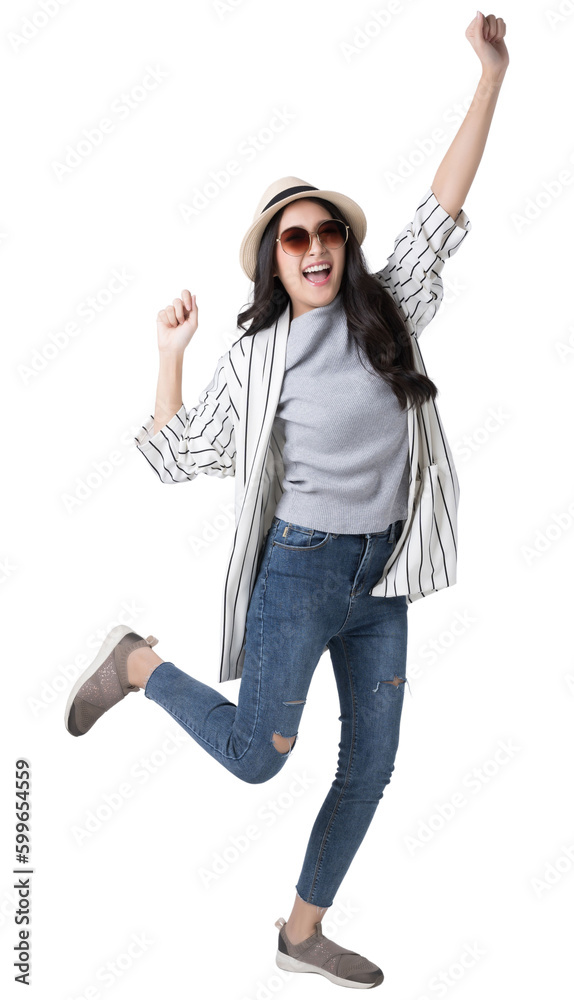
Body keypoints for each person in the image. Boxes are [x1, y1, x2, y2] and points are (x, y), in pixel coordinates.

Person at [64, 12, 508, 990]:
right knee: (259, 755)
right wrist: (168, 358)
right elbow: (177, 456)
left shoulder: (391, 306)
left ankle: (299, 931)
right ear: (273, 258)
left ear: (344, 246)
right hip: (302, 570)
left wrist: (489, 76)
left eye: (327, 232)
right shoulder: (256, 361)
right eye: (293, 236)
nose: (314, 246)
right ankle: (137, 663)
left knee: (371, 765)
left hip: (381, 570)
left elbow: (444, 203)